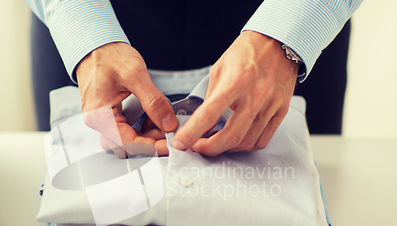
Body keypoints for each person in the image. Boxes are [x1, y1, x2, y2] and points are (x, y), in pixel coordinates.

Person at [26, 0, 363, 156]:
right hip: (88, 33)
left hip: (293, 42)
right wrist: (85, 32)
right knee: (87, 221)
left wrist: (287, 35)